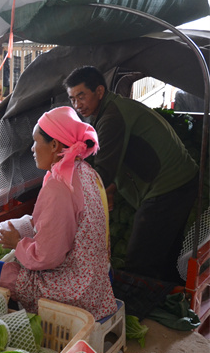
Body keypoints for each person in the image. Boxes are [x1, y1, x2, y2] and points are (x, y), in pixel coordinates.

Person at [0, 106, 118, 321]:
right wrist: (14, 228)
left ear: (54, 145)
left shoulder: (59, 185)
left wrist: (18, 244)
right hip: (100, 278)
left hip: (76, 289)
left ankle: (24, 320)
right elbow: (52, 223)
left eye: (36, 141)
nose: (32, 148)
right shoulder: (87, 171)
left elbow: (46, 258)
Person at [64, 66, 198, 284]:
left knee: (139, 260)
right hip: (180, 180)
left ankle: (141, 309)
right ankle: (167, 303)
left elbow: (103, 173)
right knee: (165, 257)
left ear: (99, 91)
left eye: (81, 96)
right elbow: (120, 158)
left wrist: (67, 199)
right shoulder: (110, 110)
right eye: (72, 99)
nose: (78, 105)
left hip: (170, 185)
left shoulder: (111, 117)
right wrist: (111, 188)